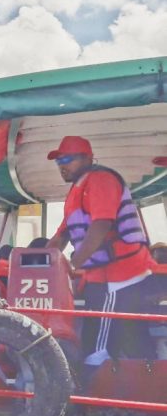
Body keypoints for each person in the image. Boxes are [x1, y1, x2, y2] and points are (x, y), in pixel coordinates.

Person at [45, 136, 157, 367]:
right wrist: (36, 263)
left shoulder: (101, 179)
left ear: (87, 158)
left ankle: (93, 390)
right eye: (58, 161)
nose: (62, 166)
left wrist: (75, 262)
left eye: (67, 159)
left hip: (120, 275)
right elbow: (61, 236)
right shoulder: (76, 192)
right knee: (100, 335)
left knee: (99, 342)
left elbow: (102, 224)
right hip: (100, 276)